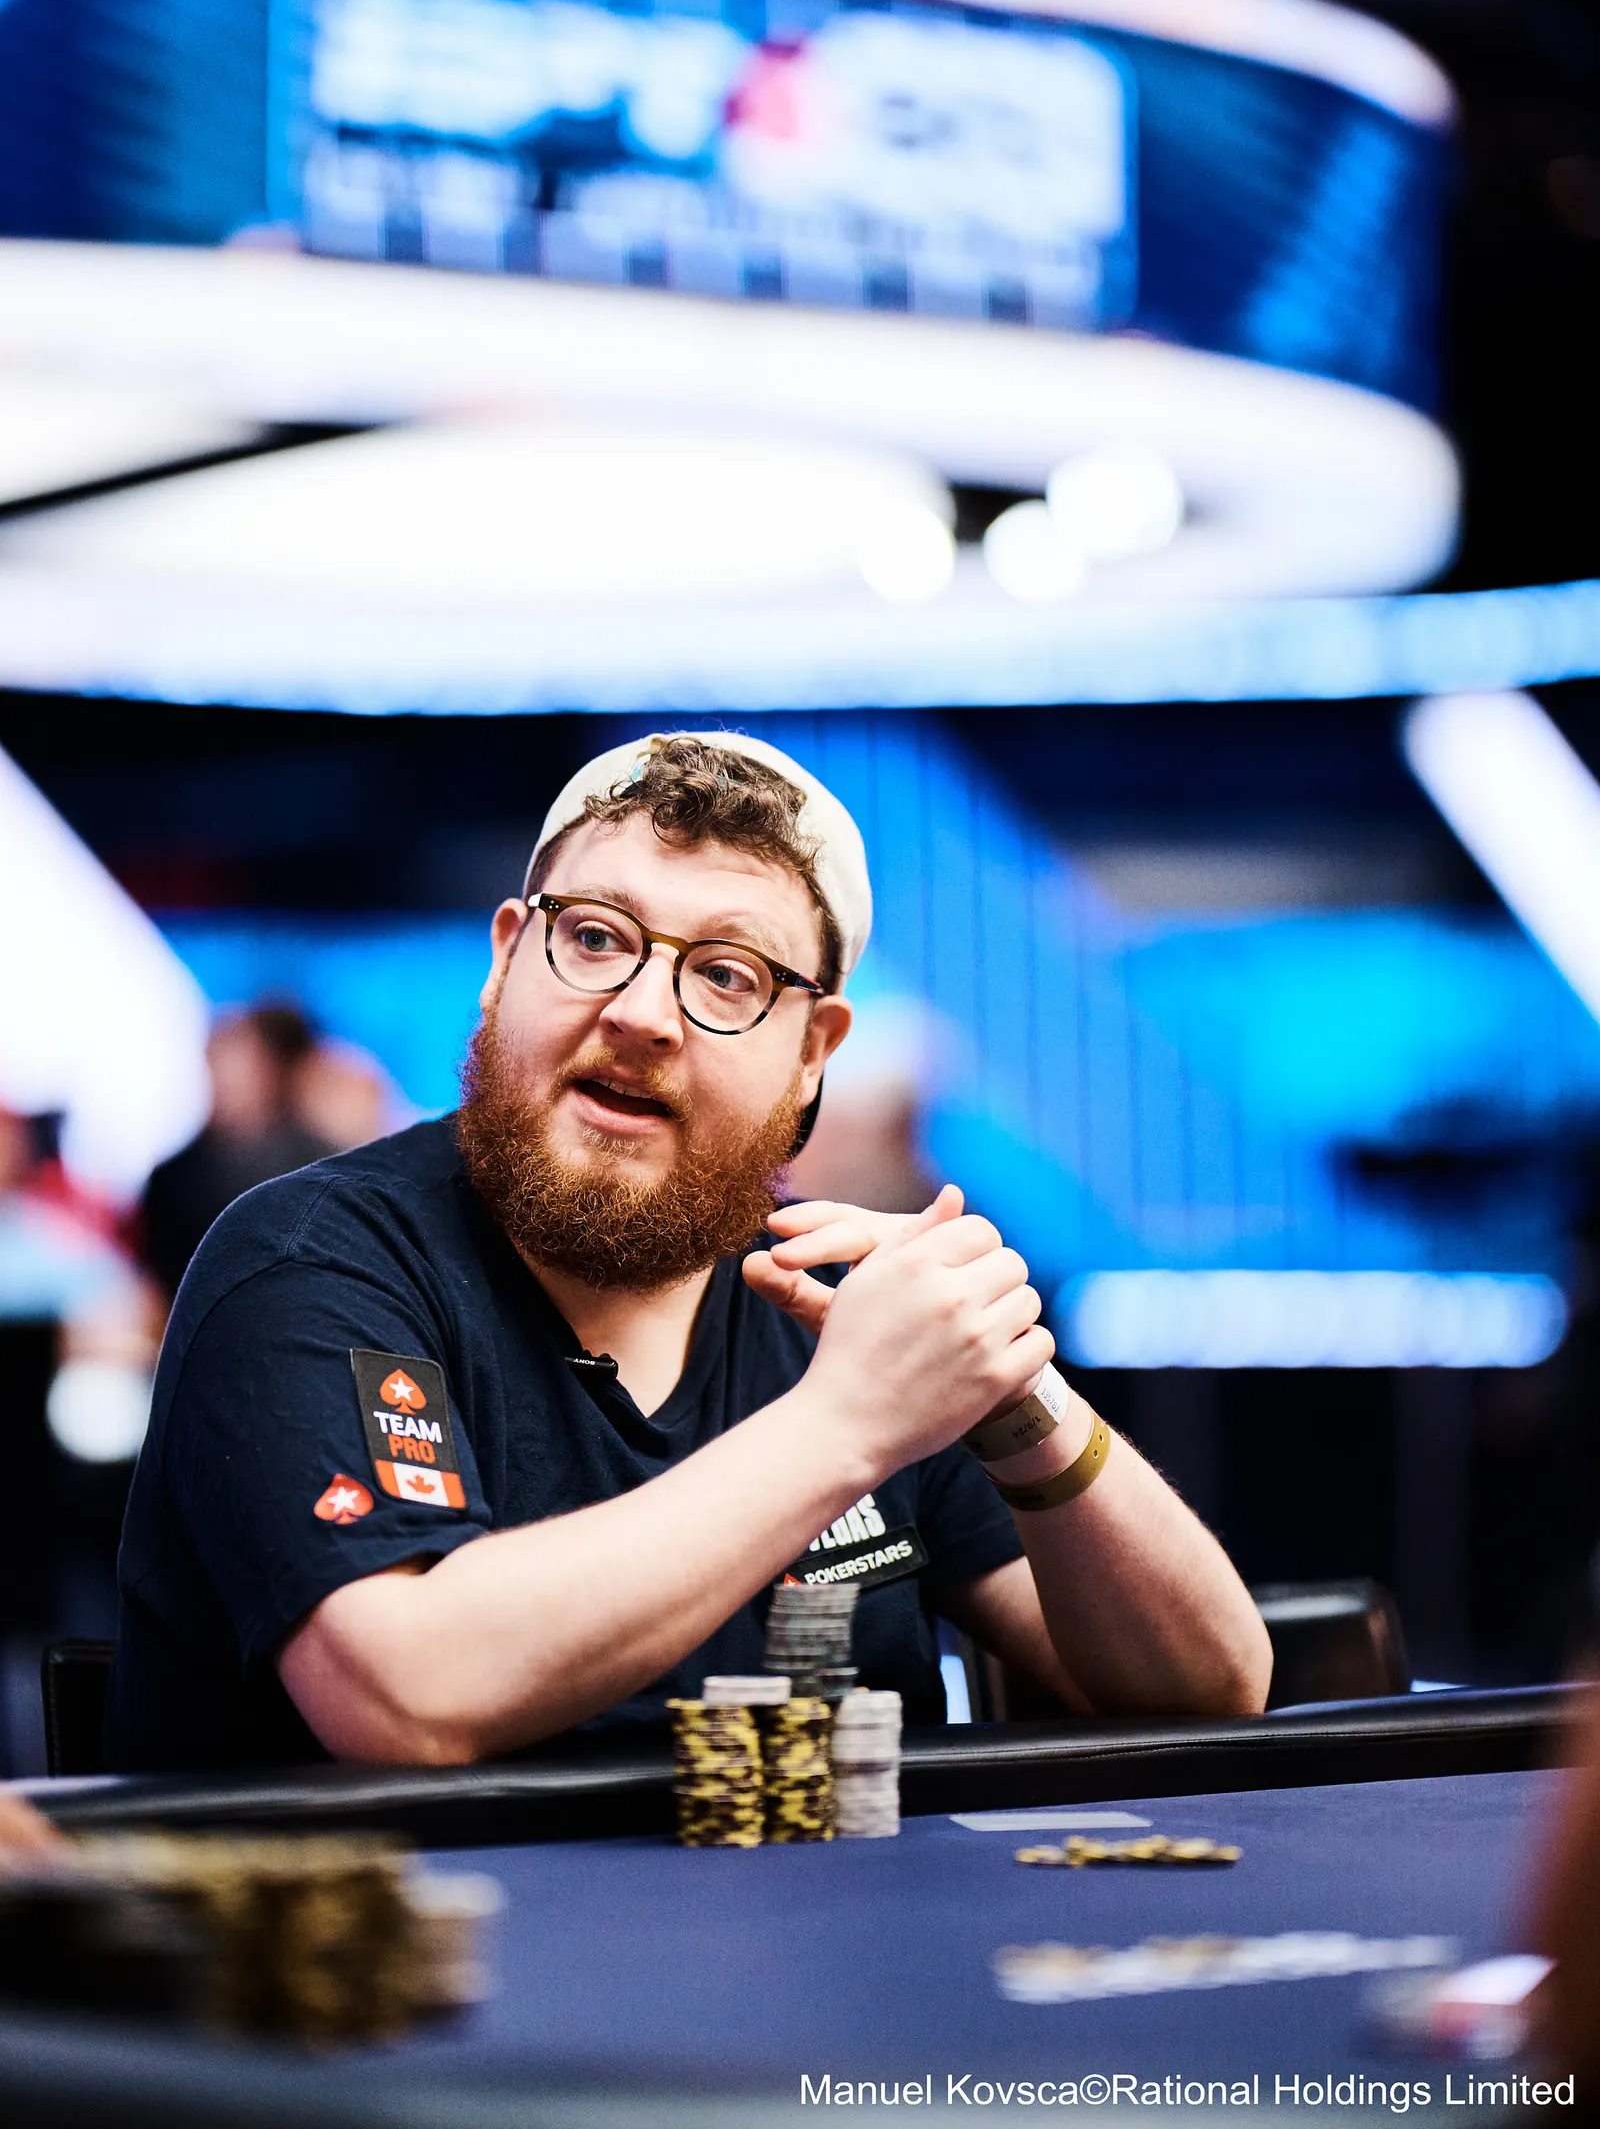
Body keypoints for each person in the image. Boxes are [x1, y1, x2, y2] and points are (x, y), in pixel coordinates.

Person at [108, 733, 1270, 1771]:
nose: (642, 1013)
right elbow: (405, 1697)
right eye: (595, 938)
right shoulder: (310, 1262)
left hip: (846, 1943)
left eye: (726, 975)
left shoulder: (833, 1303)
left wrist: (1013, 1395)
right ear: (505, 962)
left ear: (811, 1056)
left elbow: (1208, 1690)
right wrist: (852, 1420)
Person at [139, 1004, 336, 1303]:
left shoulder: (319, 1168)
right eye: (217, 1061)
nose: (225, 1077)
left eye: (238, 1064)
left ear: (269, 1069)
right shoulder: (172, 1178)